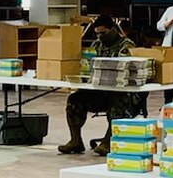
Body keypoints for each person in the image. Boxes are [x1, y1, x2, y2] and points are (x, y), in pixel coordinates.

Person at [58, 15, 143, 156]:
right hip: (100, 91)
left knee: (119, 102)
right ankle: (75, 140)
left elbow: (127, 70)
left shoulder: (127, 46)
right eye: (97, 34)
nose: (100, 37)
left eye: (103, 33)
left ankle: (108, 141)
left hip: (123, 92)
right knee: (74, 100)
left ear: (113, 30)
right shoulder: (96, 45)